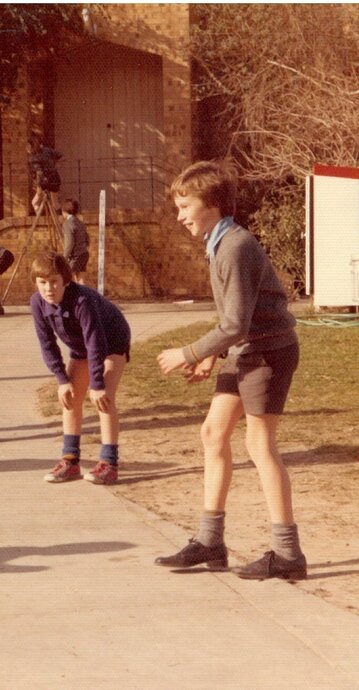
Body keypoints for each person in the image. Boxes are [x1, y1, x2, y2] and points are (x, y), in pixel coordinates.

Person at [154, 160, 306, 581]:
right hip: (244, 351)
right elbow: (235, 318)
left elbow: (237, 323)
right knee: (213, 433)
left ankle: (288, 553)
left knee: (260, 446)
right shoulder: (220, 243)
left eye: (186, 205)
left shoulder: (236, 246)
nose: (180, 215)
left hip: (267, 353)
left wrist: (188, 351)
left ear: (213, 203)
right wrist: (211, 354)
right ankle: (210, 542)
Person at [30, 251, 131, 486]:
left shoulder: (82, 300)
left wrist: (97, 384)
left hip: (112, 340)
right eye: (42, 283)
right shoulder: (37, 303)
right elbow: (47, 344)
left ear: (66, 280)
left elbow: (96, 343)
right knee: (71, 396)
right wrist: (61, 380)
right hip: (80, 346)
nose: (49, 289)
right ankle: (70, 460)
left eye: (54, 281)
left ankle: (109, 463)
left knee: (104, 397)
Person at [29, 135, 62, 215]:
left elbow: (40, 173)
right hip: (55, 179)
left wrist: (39, 186)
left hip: (45, 182)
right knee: (55, 203)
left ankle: (40, 217)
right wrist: (56, 166)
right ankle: (60, 219)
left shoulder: (34, 158)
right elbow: (60, 155)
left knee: (34, 202)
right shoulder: (47, 150)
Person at [61, 199, 90, 284]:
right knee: (81, 279)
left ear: (64, 211)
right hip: (84, 254)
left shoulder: (67, 223)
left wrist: (64, 257)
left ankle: (73, 297)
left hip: (75, 256)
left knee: (68, 277)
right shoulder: (80, 223)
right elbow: (87, 239)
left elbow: (69, 243)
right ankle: (83, 296)